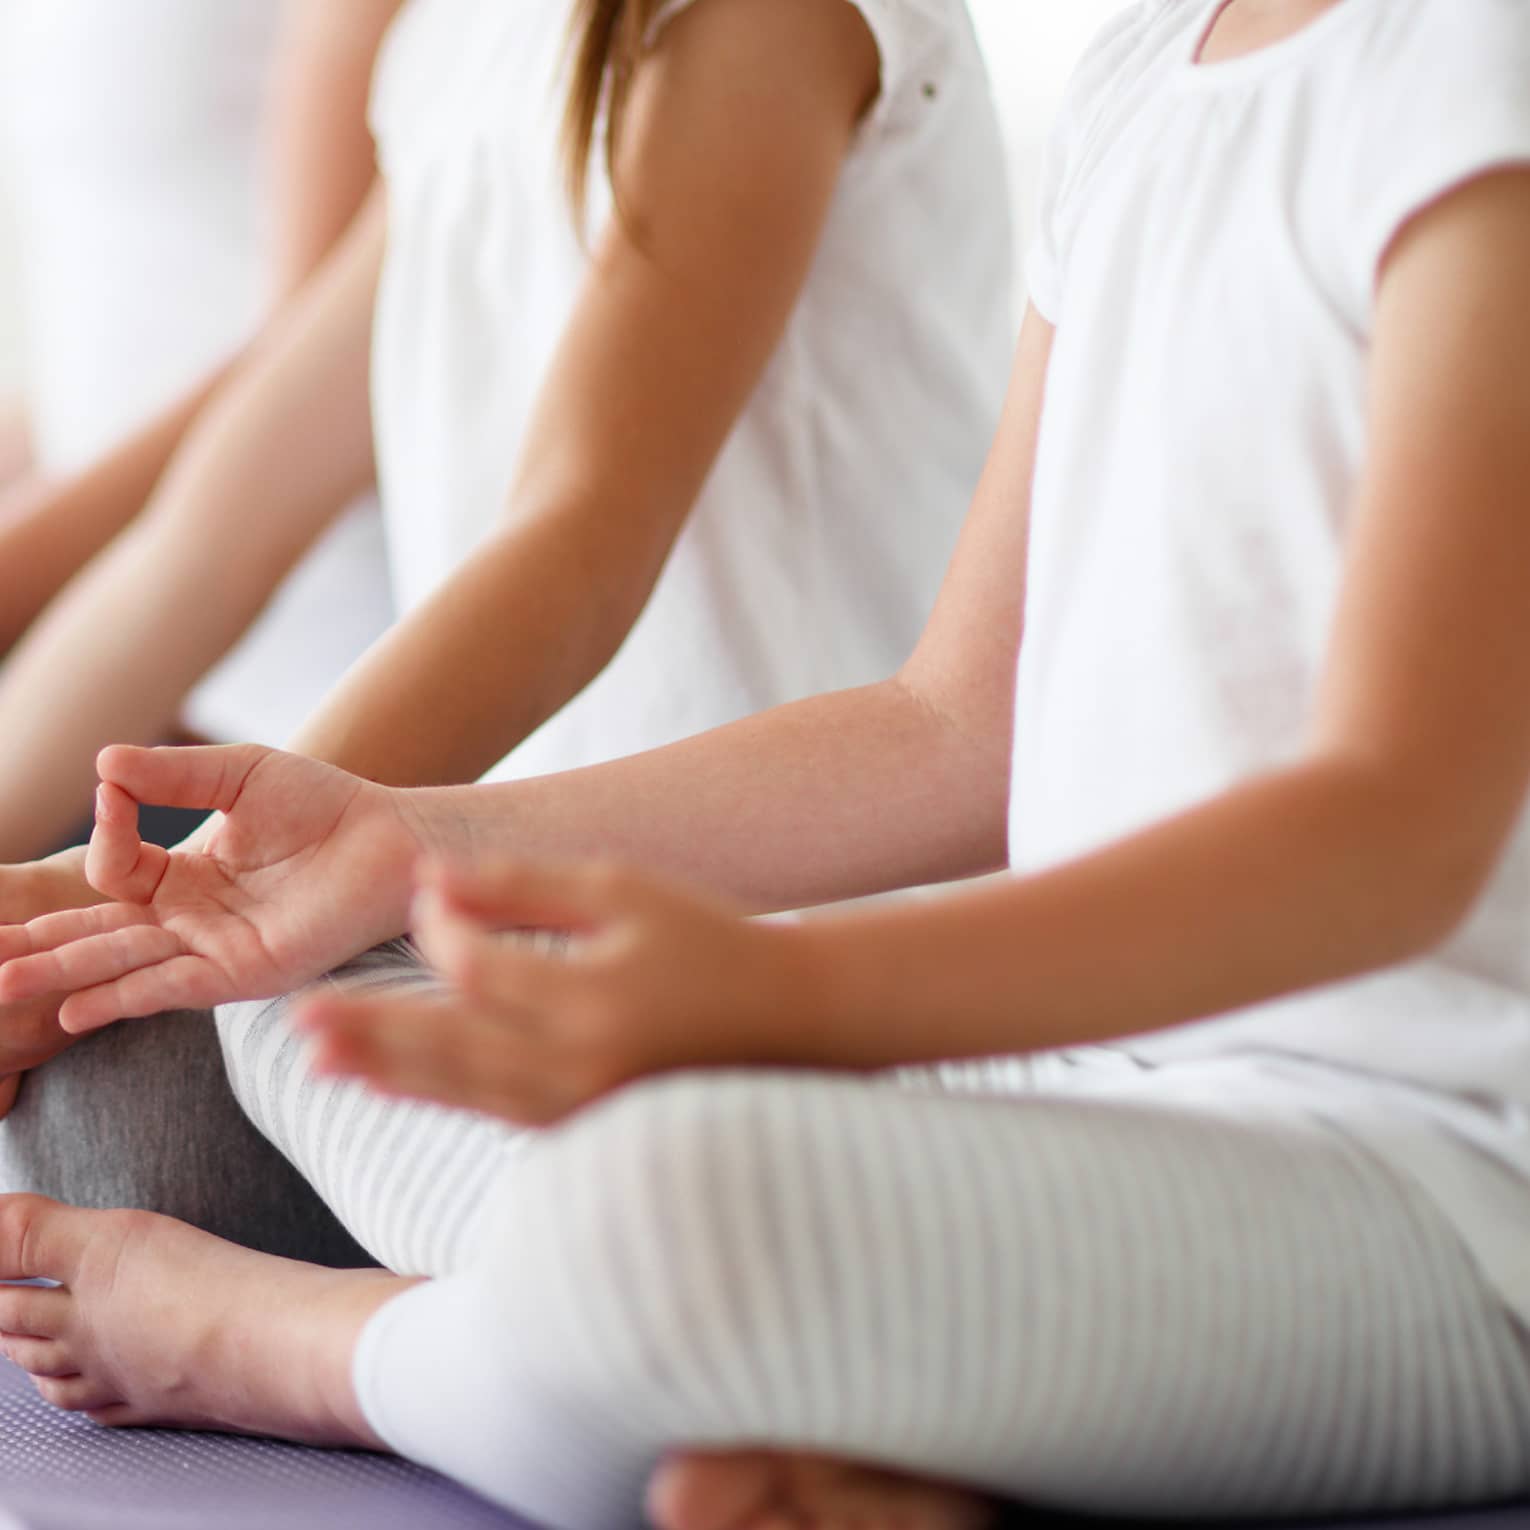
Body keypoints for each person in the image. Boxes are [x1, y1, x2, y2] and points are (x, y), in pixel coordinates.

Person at [11, 0, 1529, 1525]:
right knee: (287, 988)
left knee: (677, 1207)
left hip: (1431, 1169)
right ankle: (811, 1417)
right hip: (1087, 1075)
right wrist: (399, 844)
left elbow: (1395, 836)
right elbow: (951, 729)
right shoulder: (1143, 75)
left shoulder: (1466, 67)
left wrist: (789, 1001)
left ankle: (310, 1348)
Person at [0, 0, 1010, 1267]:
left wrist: (203, 882)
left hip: (782, 936)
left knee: (135, 1119)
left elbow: (577, 541)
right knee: (102, 1086)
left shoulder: (760, 24)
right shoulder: (456, 44)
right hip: (502, 911)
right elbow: (202, 543)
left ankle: (343, 1338)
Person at [0, 0, 396, 846]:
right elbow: (113, 347)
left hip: (287, 684)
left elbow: (306, 363)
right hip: (107, 658)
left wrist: (20, 570)